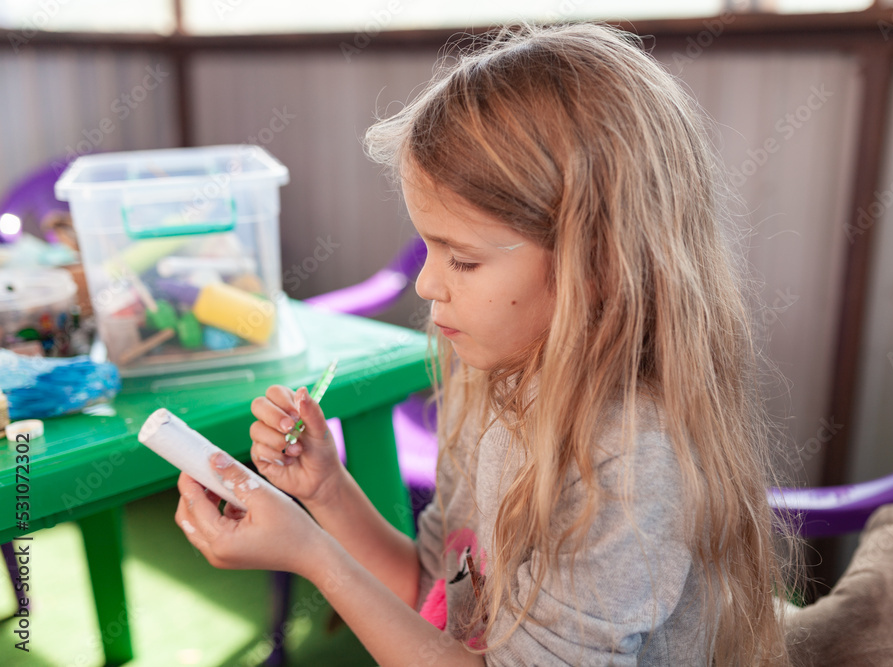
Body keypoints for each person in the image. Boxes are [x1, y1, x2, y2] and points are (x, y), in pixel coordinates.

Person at [174, 22, 801, 666]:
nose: (426, 284)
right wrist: (327, 493)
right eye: (428, 248)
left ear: (597, 266)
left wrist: (315, 558)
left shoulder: (632, 460)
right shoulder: (496, 384)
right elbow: (436, 598)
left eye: (463, 260)